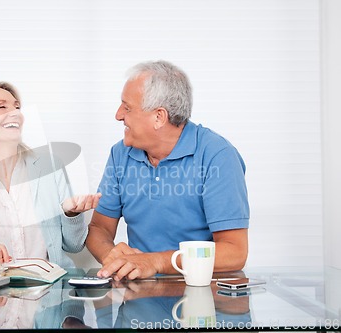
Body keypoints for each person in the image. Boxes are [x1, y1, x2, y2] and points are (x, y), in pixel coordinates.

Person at [86, 60, 249, 280]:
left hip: (200, 298)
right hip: (139, 299)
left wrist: (157, 261)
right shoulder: (120, 154)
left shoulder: (217, 156)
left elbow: (234, 252)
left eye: (127, 107)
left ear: (159, 117)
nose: (118, 115)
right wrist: (110, 254)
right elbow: (99, 228)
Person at [0, 81, 101, 272]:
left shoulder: (50, 167)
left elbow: (75, 245)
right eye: (2, 107)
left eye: (17, 107)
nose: (15, 113)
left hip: (52, 292)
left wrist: (72, 215)